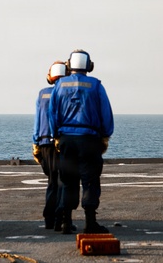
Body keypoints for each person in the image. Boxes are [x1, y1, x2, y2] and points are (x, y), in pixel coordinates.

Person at [49, 49, 114, 234]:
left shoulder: (59, 85)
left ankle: (66, 222)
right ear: (89, 66)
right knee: (90, 180)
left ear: (69, 66)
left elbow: (52, 114)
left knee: (68, 180)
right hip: (90, 140)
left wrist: (56, 136)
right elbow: (106, 113)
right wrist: (105, 134)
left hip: (66, 140)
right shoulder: (96, 86)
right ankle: (90, 222)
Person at [33, 60, 67, 230]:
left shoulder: (42, 94)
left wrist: (35, 143)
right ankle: (59, 218)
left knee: (52, 181)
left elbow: (37, 120)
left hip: (44, 143)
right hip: (60, 142)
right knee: (62, 182)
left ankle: (49, 218)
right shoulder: (66, 93)